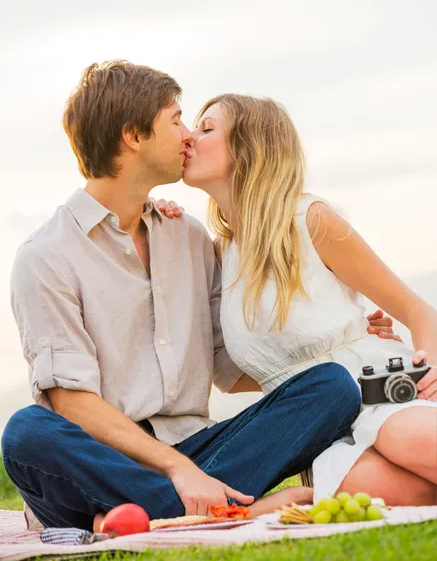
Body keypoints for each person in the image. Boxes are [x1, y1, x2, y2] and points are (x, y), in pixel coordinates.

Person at [2, 61, 369, 532]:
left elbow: (231, 369)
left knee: (331, 386)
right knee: (27, 432)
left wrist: (340, 340)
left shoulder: (190, 238)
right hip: (103, 460)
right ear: (134, 135)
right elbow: (72, 403)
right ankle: (224, 509)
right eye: (175, 120)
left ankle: (144, 514)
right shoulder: (46, 256)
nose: (188, 135)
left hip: (200, 450)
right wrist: (180, 471)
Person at [180, 93, 437, 506]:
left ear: (250, 147)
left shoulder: (309, 219)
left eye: (207, 128)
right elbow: (231, 376)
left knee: (407, 442)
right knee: (394, 492)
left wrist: (431, 368)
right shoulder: (218, 254)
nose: (189, 137)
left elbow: (417, 310)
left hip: (376, 381)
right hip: (314, 422)